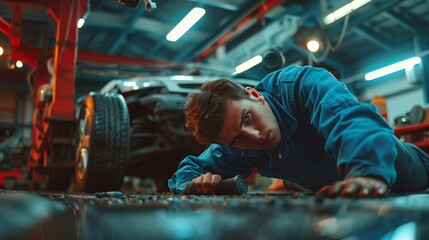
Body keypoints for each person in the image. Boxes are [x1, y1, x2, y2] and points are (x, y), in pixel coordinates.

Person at [168, 65, 429, 197]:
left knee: (417, 175)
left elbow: (349, 118)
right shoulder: (234, 144)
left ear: (255, 96)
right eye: (237, 139)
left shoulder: (302, 85)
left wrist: (367, 172)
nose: (254, 137)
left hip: (391, 162)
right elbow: (187, 171)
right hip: (324, 183)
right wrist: (194, 185)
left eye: (248, 118)